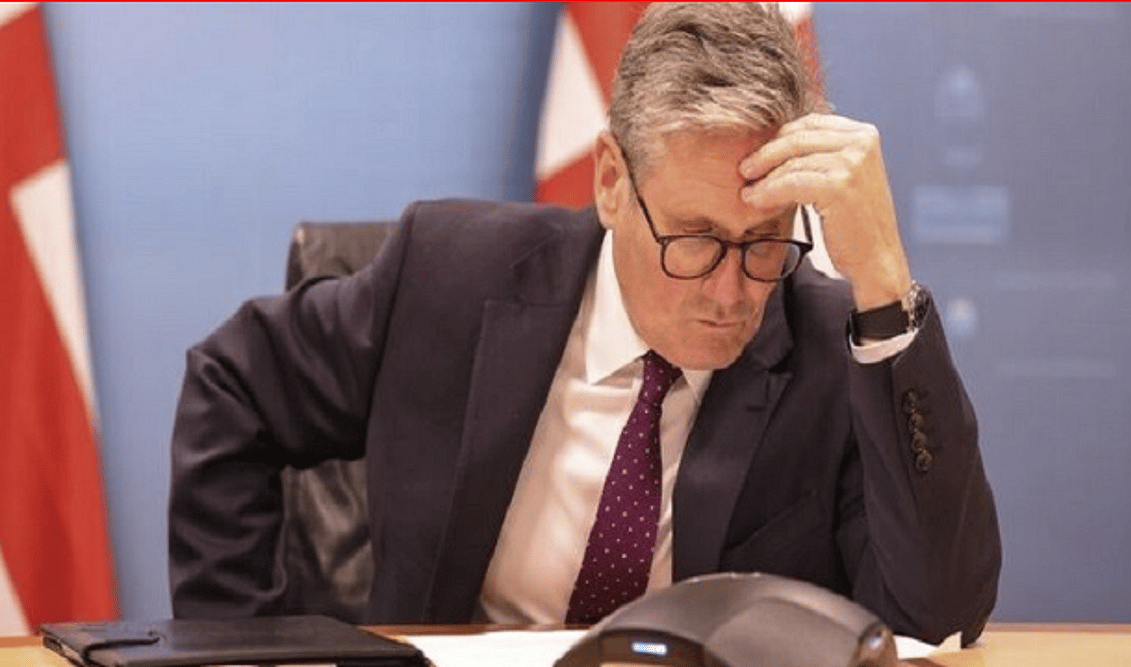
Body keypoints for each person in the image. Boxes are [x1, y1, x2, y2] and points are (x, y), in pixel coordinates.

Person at [169, 2, 1000, 646]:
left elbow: (939, 621)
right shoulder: (447, 277)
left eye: (762, 242)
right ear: (611, 181)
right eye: (695, 238)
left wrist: (885, 285)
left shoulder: (834, 347)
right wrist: (244, 649)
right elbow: (233, 385)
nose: (730, 291)